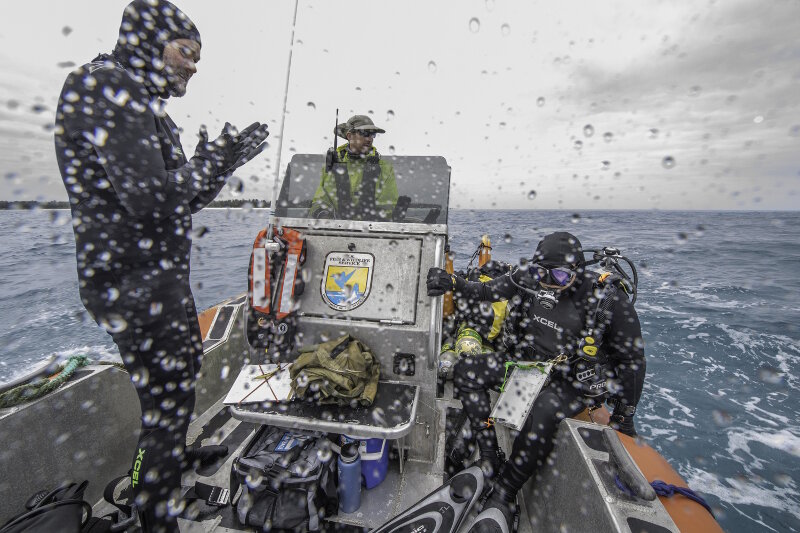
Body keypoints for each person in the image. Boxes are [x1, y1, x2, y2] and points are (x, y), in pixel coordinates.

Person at [53, 1, 268, 530]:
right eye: (186, 52)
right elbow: (151, 199)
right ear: (148, 42)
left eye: (198, 57)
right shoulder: (111, 87)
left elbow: (180, 198)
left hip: (156, 276)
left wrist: (219, 164)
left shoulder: (141, 103)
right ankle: (156, 505)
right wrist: (214, 161)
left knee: (181, 374)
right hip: (133, 281)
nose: (194, 66)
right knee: (166, 401)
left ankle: (169, 462)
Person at [427, 232, 645, 532]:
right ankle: (490, 455)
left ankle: (505, 491)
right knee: (467, 372)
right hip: (529, 367)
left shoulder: (608, 300)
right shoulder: (530, 278)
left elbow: (633, 361)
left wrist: (624, 417)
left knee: (542, 411)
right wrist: (452, 283)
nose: (549, 282)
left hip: (572, 382)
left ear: (579, 270)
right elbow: (486, 292)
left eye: (559, 274)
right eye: (543, 272)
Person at [309, 114, 399, 220]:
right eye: (365, 133)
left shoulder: (385, 168)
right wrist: (323, 215)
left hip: (372, 233)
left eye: (372, 134)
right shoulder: (332, 166)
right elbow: (320, 201)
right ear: (349, 136)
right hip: (335, 231)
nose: (369, 139)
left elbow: (388, 206)